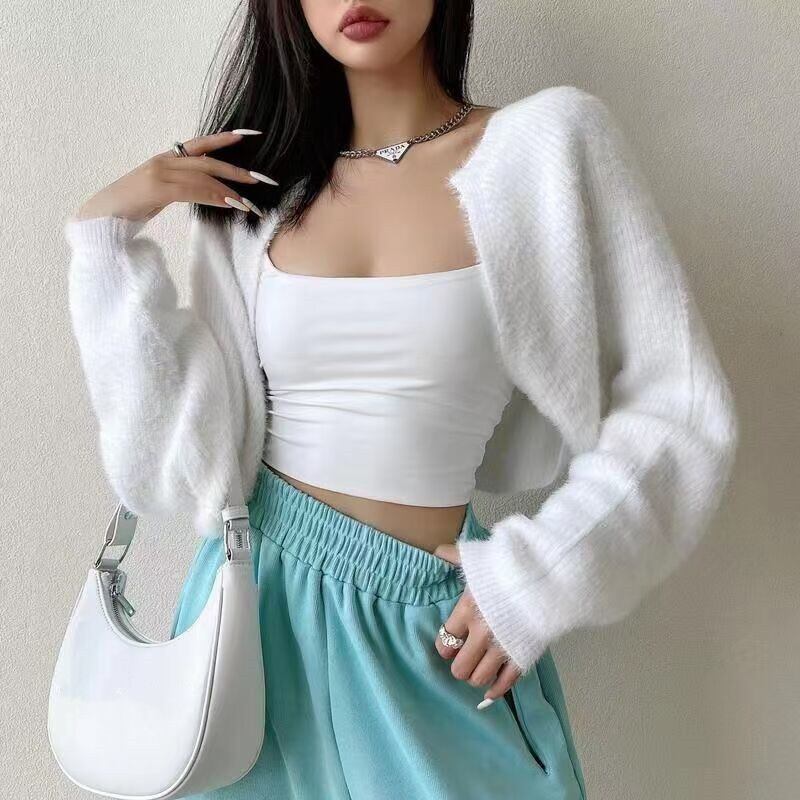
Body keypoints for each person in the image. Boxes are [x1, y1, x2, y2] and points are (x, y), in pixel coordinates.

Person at [63, 1, 738, 798]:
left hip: (438, 625)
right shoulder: (254, 190)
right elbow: (174, 472)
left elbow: (680, 408)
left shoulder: (547, 147)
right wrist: (105, 245)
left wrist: (541, 575)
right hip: (254, 617)